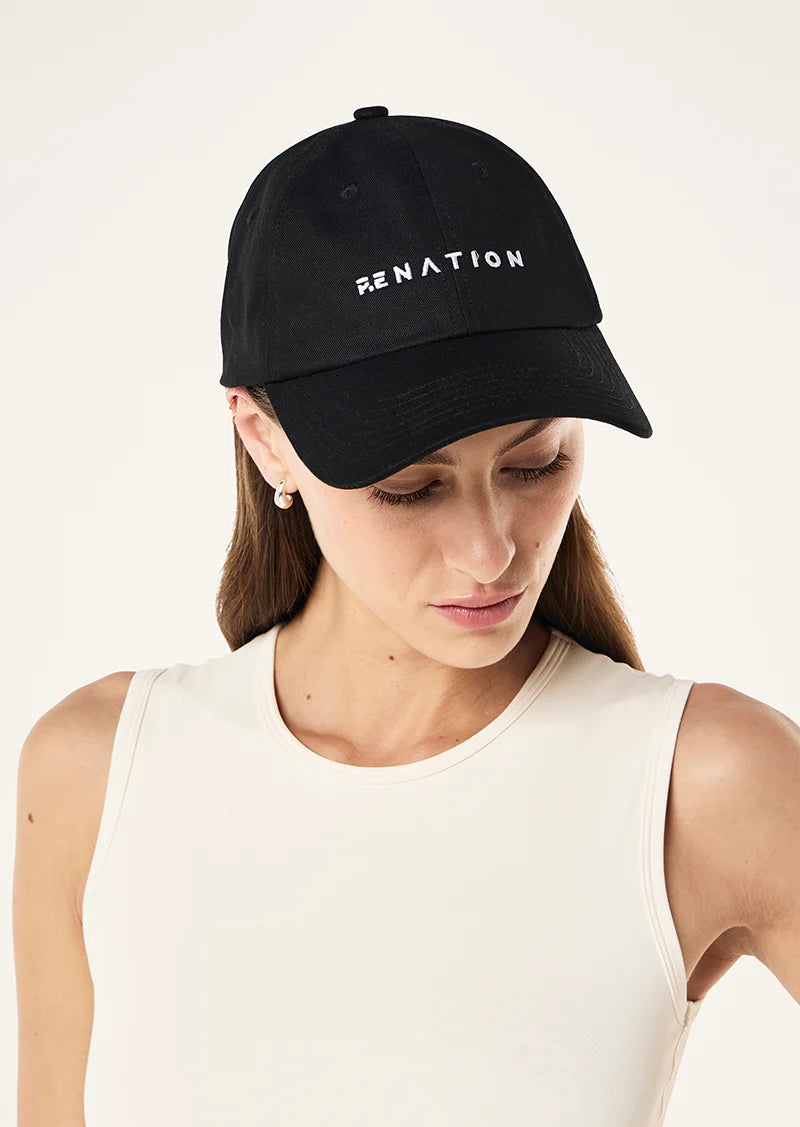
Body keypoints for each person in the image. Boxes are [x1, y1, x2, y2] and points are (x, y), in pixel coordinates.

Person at [14, 106, 799, 1127]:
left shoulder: (707, 781)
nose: (490, 549)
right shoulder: (97, 773)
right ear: (264, 438)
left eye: (535, 463)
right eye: (409, 487)